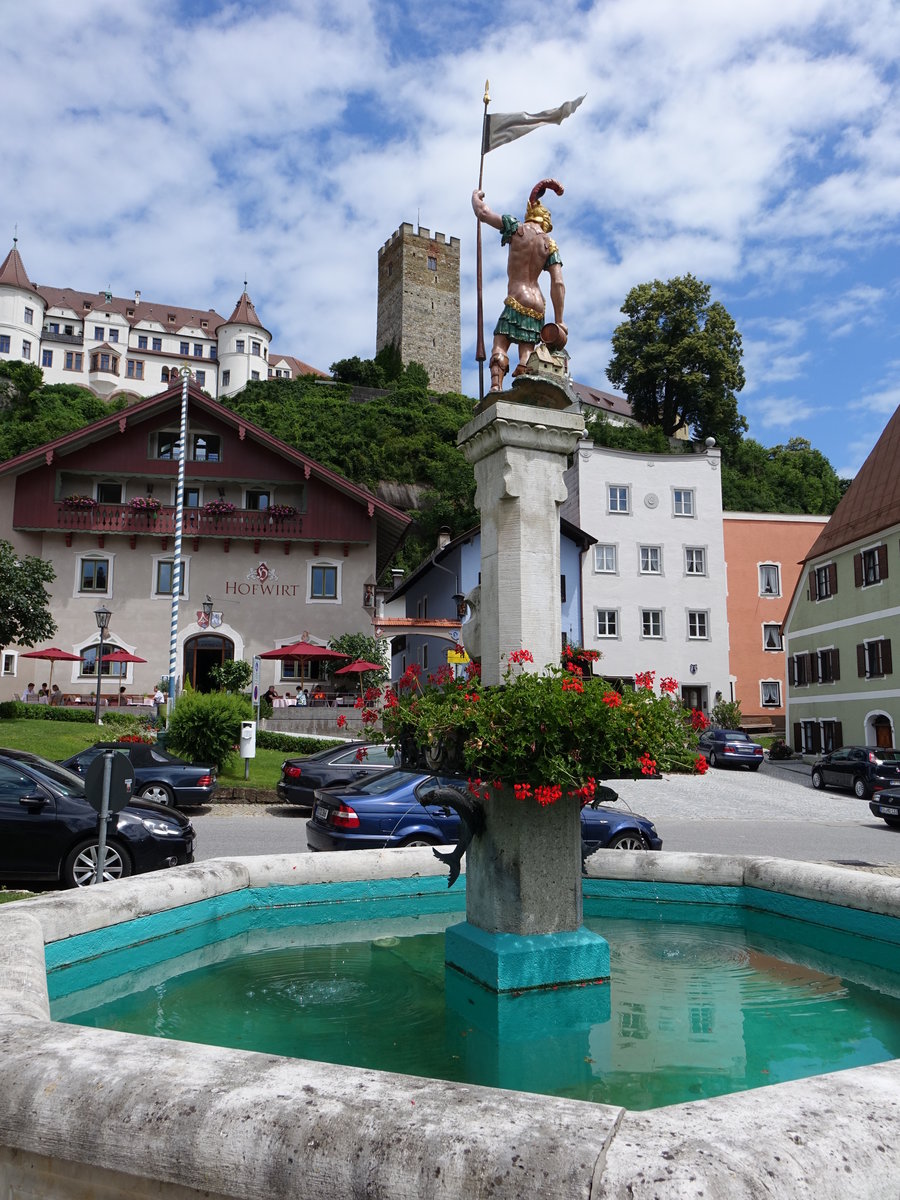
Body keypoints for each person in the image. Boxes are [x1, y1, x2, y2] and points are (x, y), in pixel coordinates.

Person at [472, 178, 566, 392]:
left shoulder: (516, 228)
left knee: (500, 342)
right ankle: (524, 389)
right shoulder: (550, 244)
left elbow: (483, 213)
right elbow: (558, 282)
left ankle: (496, 386)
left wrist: (475, 197)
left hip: (517, 297)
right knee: (527, 351)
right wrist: (559, 321)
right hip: (538, 305)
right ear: (545, 222)